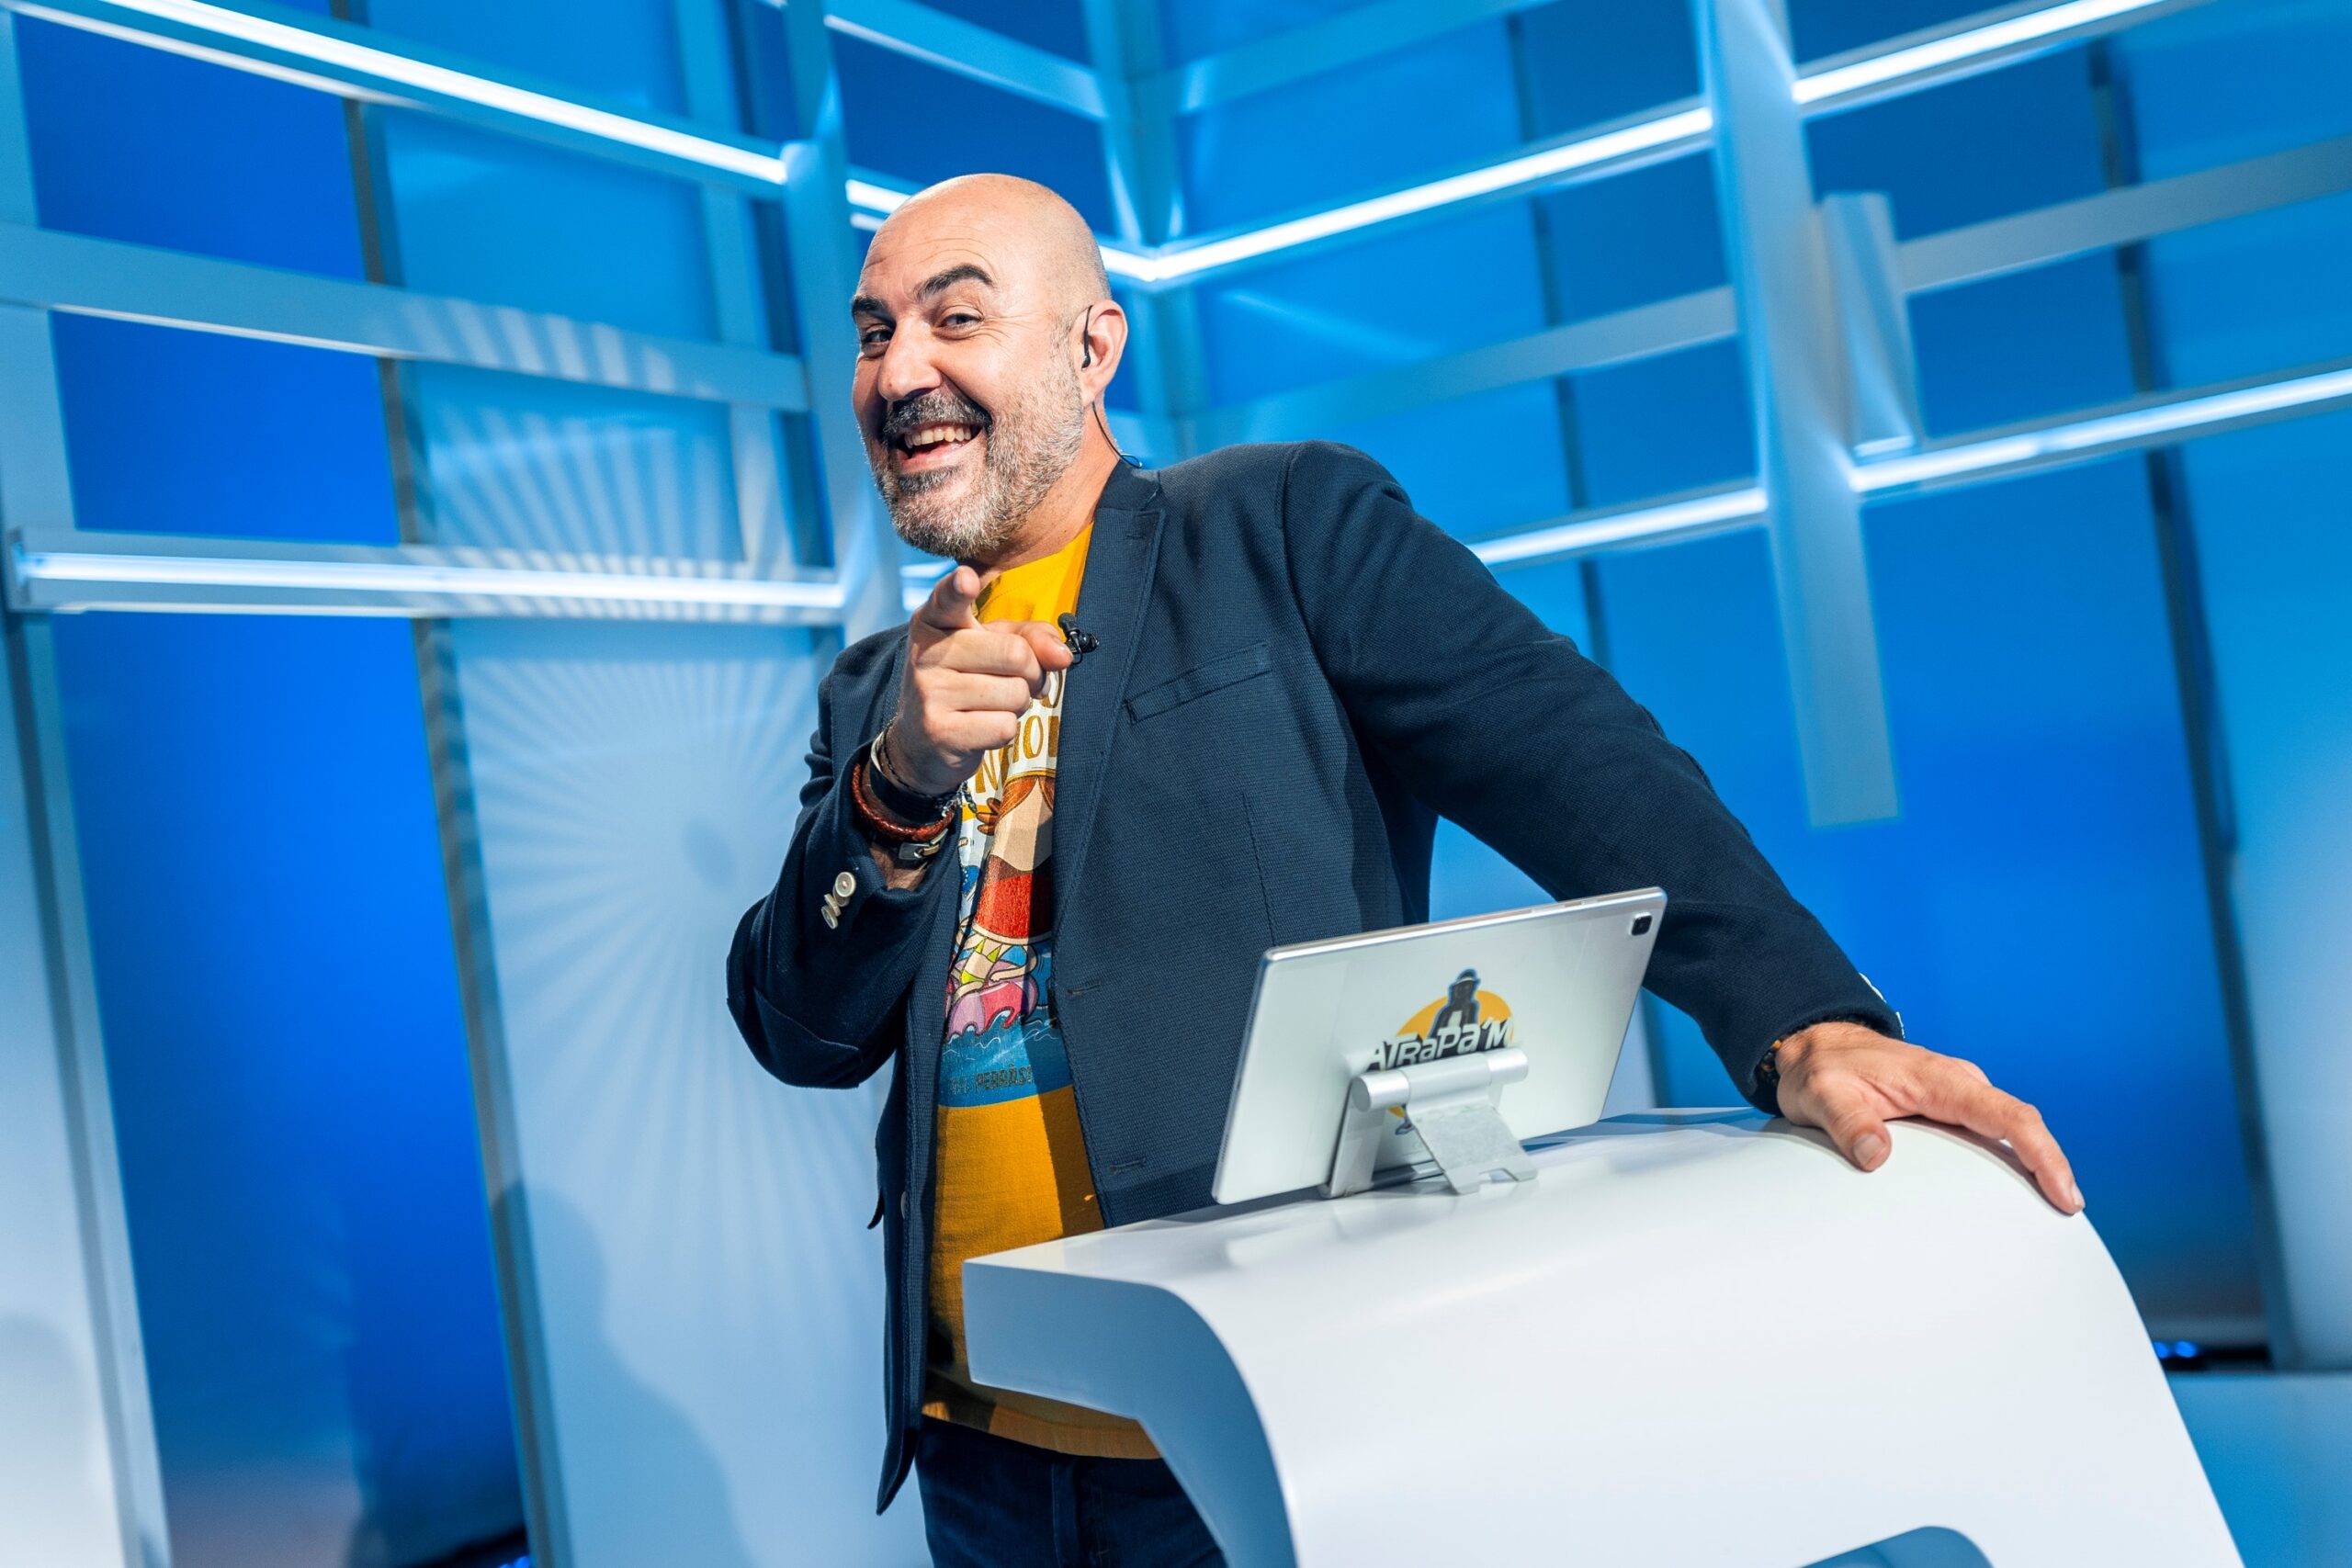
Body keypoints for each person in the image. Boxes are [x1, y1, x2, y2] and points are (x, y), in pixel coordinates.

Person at [724, 174, 2081, 1567]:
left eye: (956, 318)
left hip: (1258, 1408)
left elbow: (1572, 759)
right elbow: (800, 1029)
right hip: (979, 1452)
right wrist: (893, 790)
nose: (902, 370)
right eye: (874, 332)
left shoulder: (1277, 528)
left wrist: (1803, 1020)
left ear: (1091, 346)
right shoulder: (871, 693)